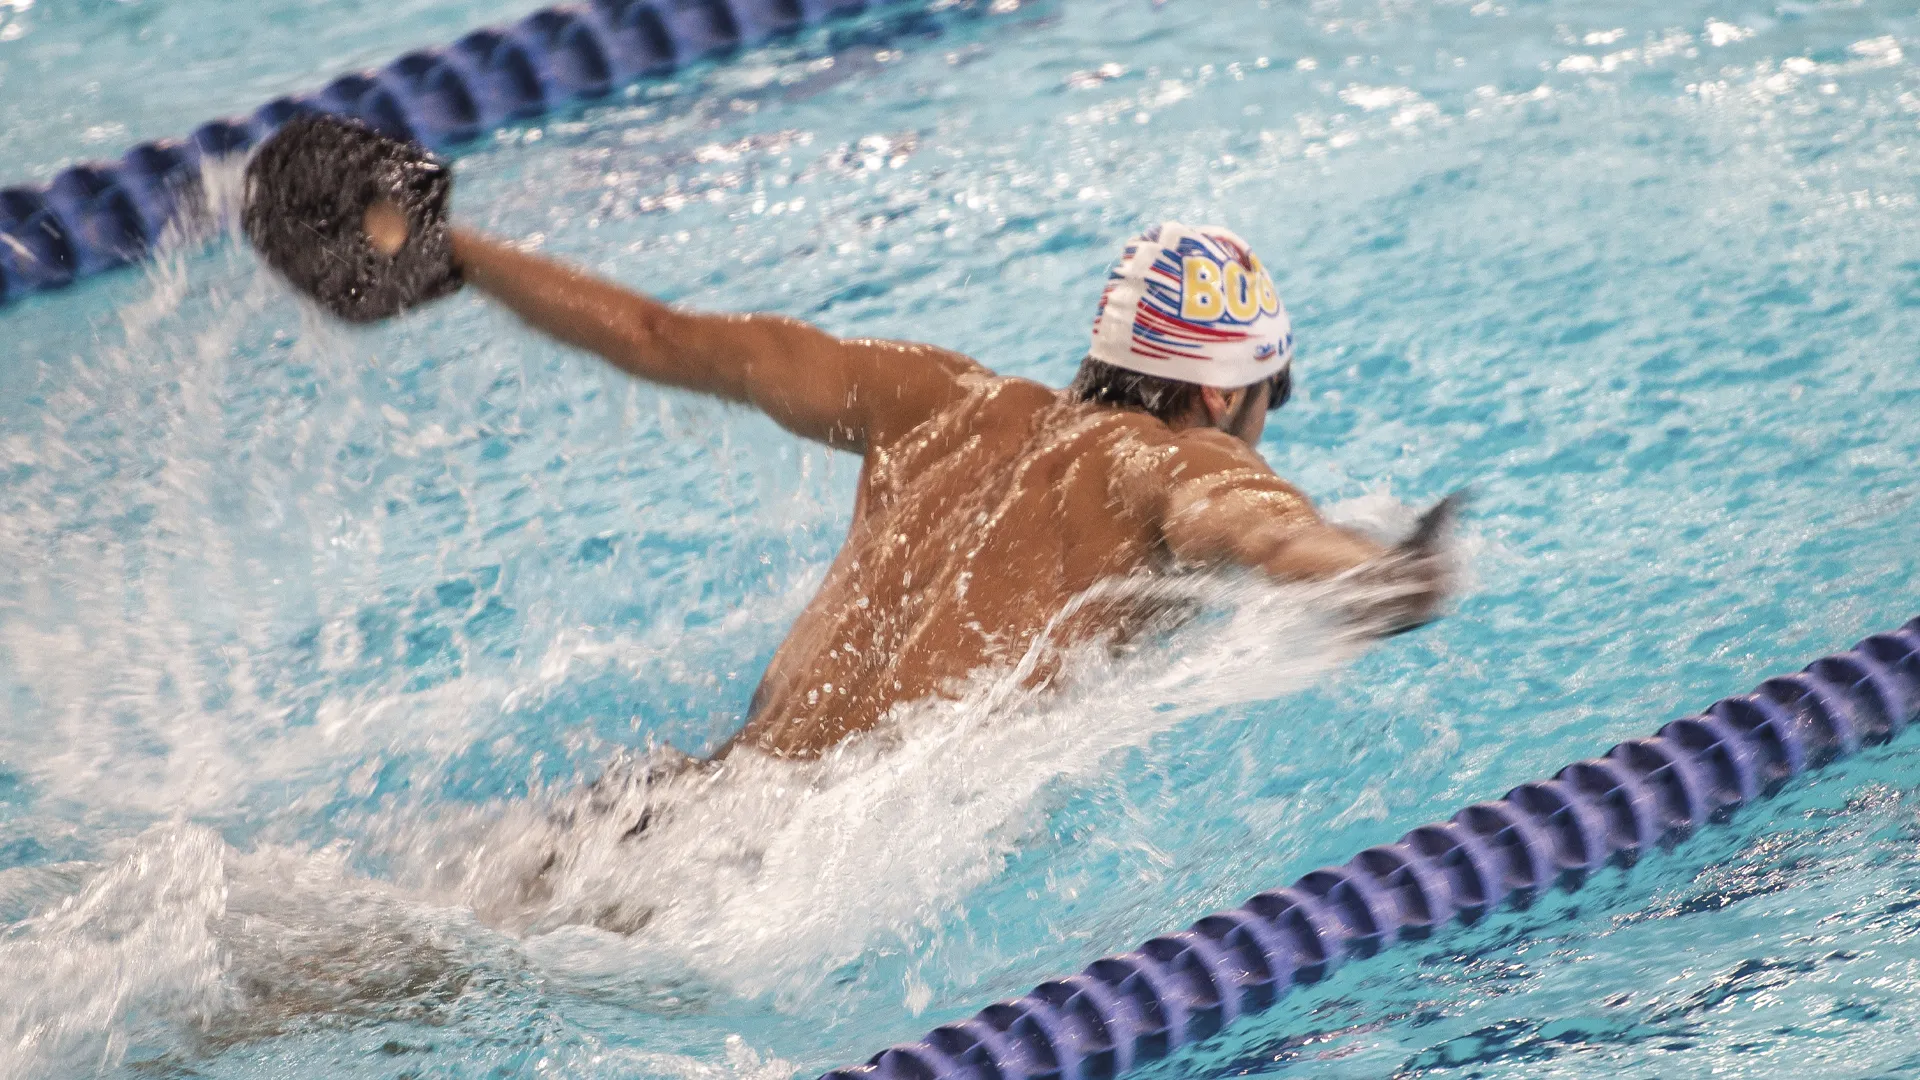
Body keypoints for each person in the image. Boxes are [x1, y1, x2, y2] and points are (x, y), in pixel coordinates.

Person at [247, 118, 1455, 764]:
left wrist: (452, 250)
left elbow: (666, 335)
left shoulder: (933, 399)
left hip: (682, 797)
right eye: (1265, 403)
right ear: (1215, 398)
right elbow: (1256, 526)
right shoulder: (1179, 462)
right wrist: (1377, 570)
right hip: (780, 867)